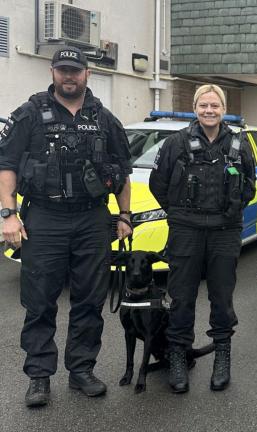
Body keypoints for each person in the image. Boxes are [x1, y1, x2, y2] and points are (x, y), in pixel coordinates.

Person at [0, 46, 132, 407]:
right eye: (63, 70)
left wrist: (124, 215)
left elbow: (122, 170)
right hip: (45, 217)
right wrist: (8, 214)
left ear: (87, 73)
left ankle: (81, 370)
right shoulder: (30, 113)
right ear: (53, 72)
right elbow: (6, 164)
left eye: (75, 70)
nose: (69, 76)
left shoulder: (104, 118)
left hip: (92, 218)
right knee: (39, 300)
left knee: (90, 299)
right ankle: (39, 376)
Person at [149, 84, 256, 393]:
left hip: (224, 231)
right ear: (195, 108)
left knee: (221, 297)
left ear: (224, 109)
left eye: (215, 105)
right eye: (203, 105)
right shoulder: (175, 143)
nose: (209, 111)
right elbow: (158, 184)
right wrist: (179, 213)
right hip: (186, 231)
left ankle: (222, 355)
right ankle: (178, 355)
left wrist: (228, 212)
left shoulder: (239, 144)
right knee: (181, 297)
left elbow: (248, 187)